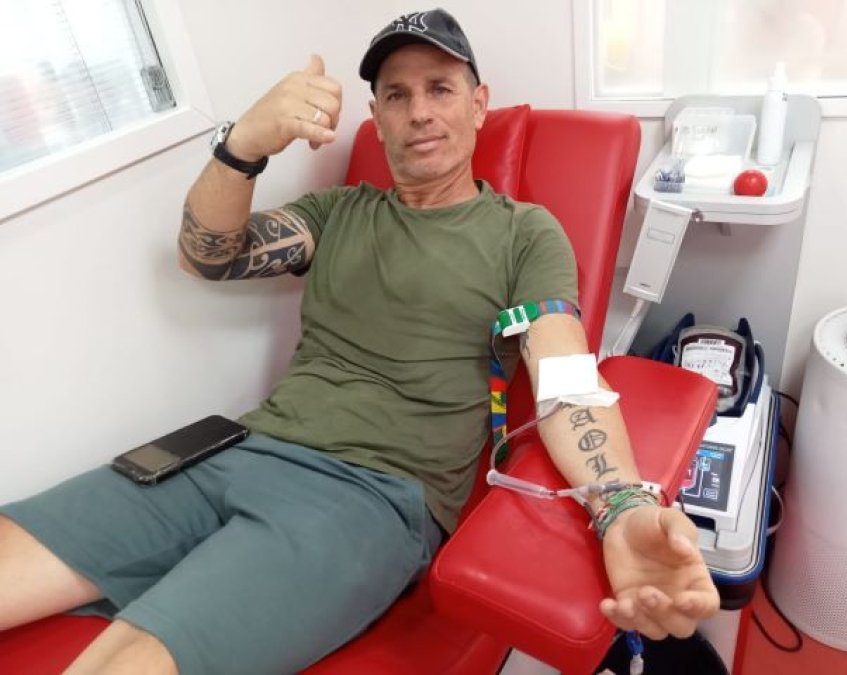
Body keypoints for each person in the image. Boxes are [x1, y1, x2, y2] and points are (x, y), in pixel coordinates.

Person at [0, 8, 719, 674]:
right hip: (234, 448)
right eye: (396, 95)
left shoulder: (522, 233)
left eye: (440, 88)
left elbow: (565, 380)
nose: (419, 112)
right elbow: (206, 255)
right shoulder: (337, 212)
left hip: (369, 495)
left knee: (131, 660)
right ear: (376, 118)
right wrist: (243, 145)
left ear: (479, 104)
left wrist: (621, 506)